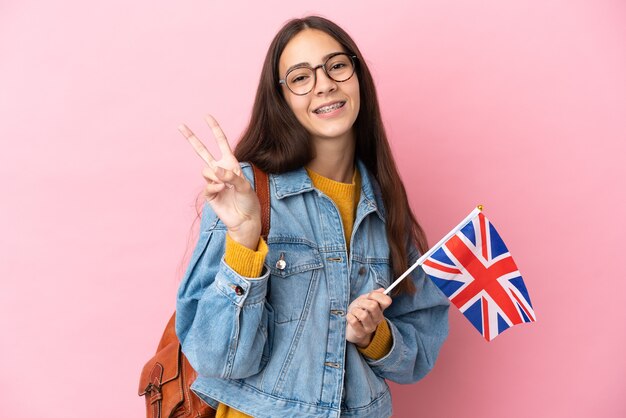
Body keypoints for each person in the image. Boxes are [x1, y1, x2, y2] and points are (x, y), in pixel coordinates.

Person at [175, 15, 449, 418]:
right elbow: (216, 359)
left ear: (358, 76)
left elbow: (420, 350)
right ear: (281, 98)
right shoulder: (246, 192)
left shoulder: (387, 205)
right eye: (301, 77)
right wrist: (245, 239)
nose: (324, 84)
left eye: (337, 65)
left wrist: (374, 335)